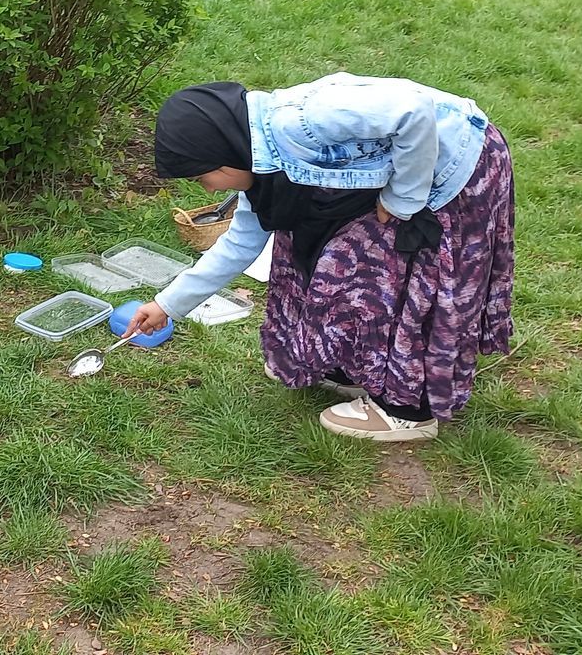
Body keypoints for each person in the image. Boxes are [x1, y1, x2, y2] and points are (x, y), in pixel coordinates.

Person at [128, 73, 514, 443]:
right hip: (407, 168)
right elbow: (239, 245)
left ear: (223, 157)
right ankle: (356, 364)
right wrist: (167, 304)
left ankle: (408, 408)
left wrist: (403, 199)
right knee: (331, 259)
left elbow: (412, 110)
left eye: (202, 178)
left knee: (398, 273)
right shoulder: (259, 161)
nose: (207, 188)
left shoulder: (302, 118)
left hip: (457, 164)